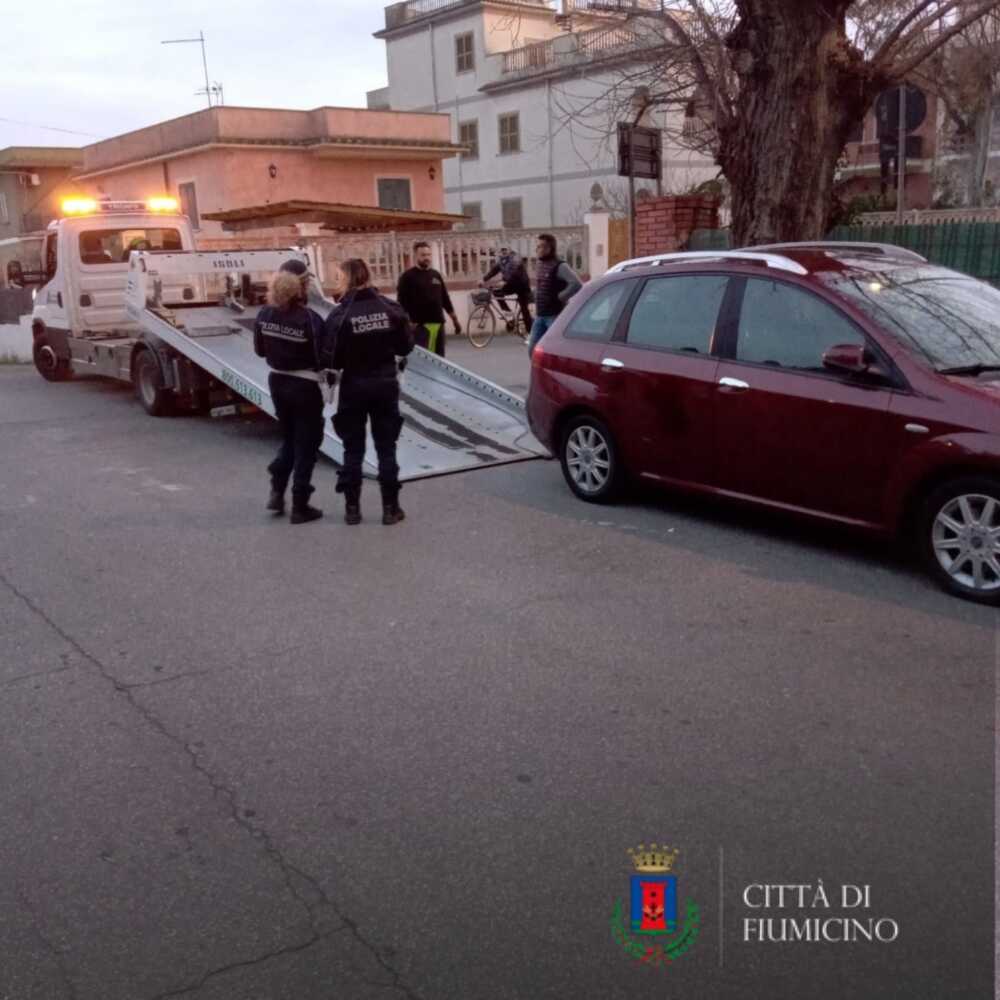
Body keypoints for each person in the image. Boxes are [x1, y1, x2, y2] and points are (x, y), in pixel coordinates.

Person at [321, 258, 413, 526]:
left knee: (353, 449)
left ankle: (352, 510)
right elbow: (406, 346)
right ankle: (390, 509)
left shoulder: (339, 315)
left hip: (354, 387)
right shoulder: (391, 309)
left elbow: (330, 360)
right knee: (387, 448)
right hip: (385, 384)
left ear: (346, 278)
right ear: (368, 276)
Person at [253, 259, 326, 524]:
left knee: (290, 438)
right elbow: (322, 357)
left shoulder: (264, 314)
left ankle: (277, 487)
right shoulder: (310, 318)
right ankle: (300, 505)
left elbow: (260, 350)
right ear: (301, 285)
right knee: (307, 443)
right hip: (304, 386)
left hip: (277, 383)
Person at [396, 241, 461, 357]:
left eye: (428, 255)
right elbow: (400, 303)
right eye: (423, 255)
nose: (426, 258)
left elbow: (445, 299)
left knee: (440, 361)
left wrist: (455, 320)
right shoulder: (407, 277)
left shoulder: (436, 275)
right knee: (423, 362)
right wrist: (408, 323)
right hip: (420, 328)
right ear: (415, 256)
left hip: (438, 324)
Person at [529, 233, 582, 352]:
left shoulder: (560, 266)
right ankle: (538, 370)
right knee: (532, 349)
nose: (537, 249)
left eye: (541, 246)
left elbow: (576, 284)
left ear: (549, 248)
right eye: (537, 246)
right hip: (540, 315)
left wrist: (560, 297)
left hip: (554, 316)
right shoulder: (540, 264)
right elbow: (541, 284)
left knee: (556, 350)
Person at [480, 245, 532, 339]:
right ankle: (508, 312)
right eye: (501, 250)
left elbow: (513, 271)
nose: (503, 251)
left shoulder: (515, 258)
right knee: (496, 292)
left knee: (524, 311)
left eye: (505, 249)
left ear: (509, 250)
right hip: (511, 285)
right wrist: (483, 279)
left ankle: (531, 335)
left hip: (522, 286)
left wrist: (505, 281)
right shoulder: (501, 261)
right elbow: (493, 271)